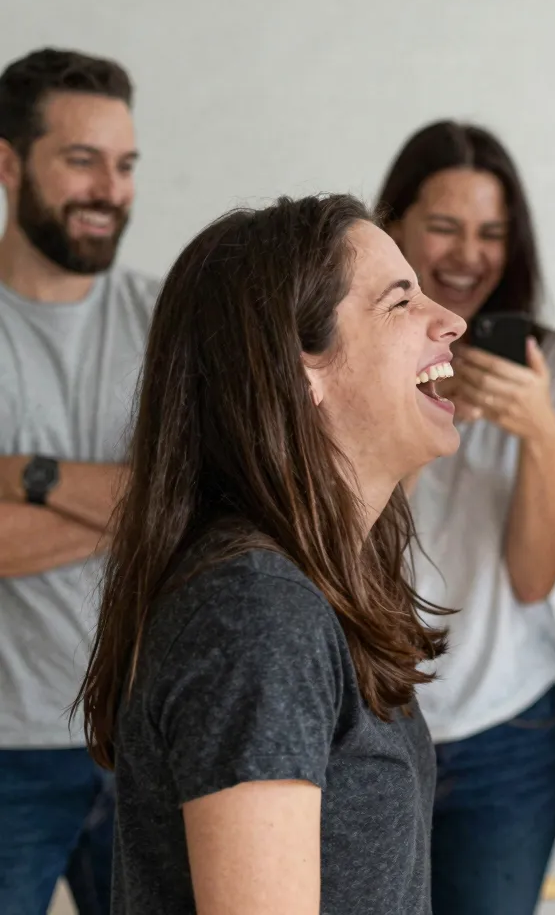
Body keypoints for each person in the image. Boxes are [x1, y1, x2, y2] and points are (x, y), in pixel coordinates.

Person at [72, 193, 463, 915]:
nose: (451, 320)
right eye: (400, 301)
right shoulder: (256, 613)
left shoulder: (304, 588)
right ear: (301, 365)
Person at [375, 120, 555, 915]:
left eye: (492, 233)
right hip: (370, 722)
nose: (469, 254)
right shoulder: (347, 356)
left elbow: (536, 578)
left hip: (507, 736)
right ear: (392, 225)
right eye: (443, 226)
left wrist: (538, 429)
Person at [0, 47, 155, 915]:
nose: (110, 189)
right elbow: (166, 503)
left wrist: (28, 477)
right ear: (9, 162)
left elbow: (200, 500)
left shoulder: (167, 315)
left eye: (126, 164)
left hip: (143, 739)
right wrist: (143, 498)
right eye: (82, 159)